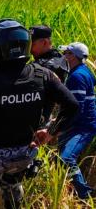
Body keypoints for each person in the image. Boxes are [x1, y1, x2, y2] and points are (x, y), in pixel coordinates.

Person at [0, 19, 79, 208]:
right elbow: (72, 106)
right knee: (13, 189)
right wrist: (51, 131)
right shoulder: (43, 75)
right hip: (25, 153)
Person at [58, 42, 96, 199]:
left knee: (66, 158)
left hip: (83, 127)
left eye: (66, 53)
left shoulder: (77, 76)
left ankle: (84, 194)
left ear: (73, 56)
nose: (63, 56)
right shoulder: (83, 71)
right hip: (81, 124)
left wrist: (59, 127)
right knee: (62, 155)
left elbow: (76, 107)